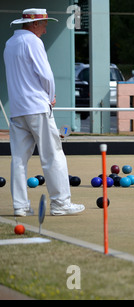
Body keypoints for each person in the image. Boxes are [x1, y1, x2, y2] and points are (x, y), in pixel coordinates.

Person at [4, 8, 85, 216]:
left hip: (17, 109)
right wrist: (50, 98)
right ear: (35, 24)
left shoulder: (10, 43)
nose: (46, 30)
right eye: (44, 24)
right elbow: (46, 75)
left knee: (19, 159)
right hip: (37, 106)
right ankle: (60, 203)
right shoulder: (33, 41)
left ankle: (20, 206)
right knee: (53, 154)